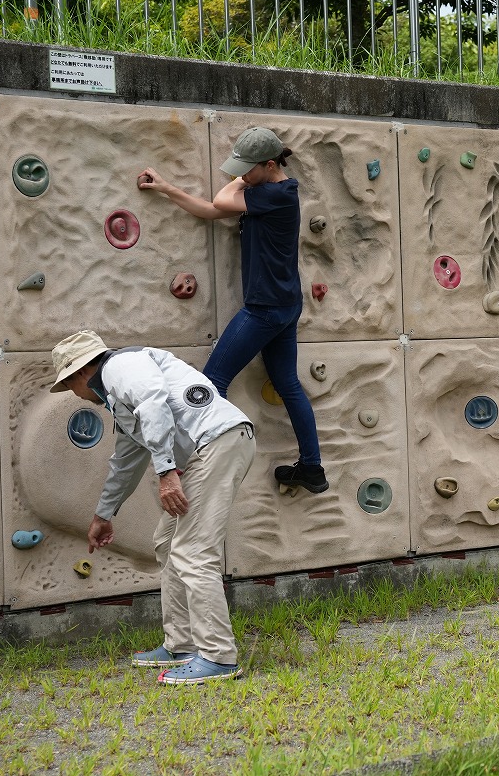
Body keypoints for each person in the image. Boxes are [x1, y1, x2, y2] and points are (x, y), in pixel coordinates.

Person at [51, 330, 256, 683]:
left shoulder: (120, 366)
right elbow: (126, 461)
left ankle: (219, 656)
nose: (76, 396)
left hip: (216, 442)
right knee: (167, 542)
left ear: (79, 372)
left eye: (69, 387)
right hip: (211, 447)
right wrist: (103, 515)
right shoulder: (118, 394)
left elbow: (154, 403)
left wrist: (166, 473)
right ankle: (182, 645)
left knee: (193, 551)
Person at [138, 126, 327, 494]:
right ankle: (312, 469)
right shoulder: (269, 192)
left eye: (246, 168)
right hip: (285, 305)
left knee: (209, 386)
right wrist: (165, 188)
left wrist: (240, 181)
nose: (239, 174)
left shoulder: (276, 193)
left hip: (265, 309)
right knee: (287, 384)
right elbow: (211, 210)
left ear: (270, 165)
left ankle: (209, 468)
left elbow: (223, 198)